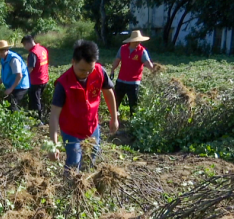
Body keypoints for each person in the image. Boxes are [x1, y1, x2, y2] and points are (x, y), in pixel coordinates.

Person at [48, 40, 119, 171]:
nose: (86, 74)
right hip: (71, 131)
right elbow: (54, 115)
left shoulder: (99, 72)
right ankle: (70, 188)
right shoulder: (63, 84)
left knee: (91, 159)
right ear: (73, 62)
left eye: (89, 70)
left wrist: (114, 117)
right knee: (74, 162)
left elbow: (108, 93)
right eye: (82, 70)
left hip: (92, 127)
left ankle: (86, 186)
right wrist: (53, 146)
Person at [110, 30, 155, 117]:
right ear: (132, 41)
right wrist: (112, 70)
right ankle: (114, 117)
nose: (138, 42)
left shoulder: (142, 51)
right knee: (116, 100)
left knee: (133, 103)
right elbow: (117, 61)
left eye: (139, 40)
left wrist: (153, 70)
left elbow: (148, 63)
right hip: (121, 80)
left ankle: (132, 120)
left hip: (133, 82)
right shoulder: (123, 49)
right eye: (137, 40)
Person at [0, 40, 30, 111]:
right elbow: (5, 75)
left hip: (20, 86)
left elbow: (19, 76)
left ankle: (21, 121)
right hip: (13, 86)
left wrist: (11, 89)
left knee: (13, 106)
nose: (0, 53)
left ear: (7, 50)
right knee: (10, 105)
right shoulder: (3, 59)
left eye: (2, 51)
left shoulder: (13, 60)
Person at [21, 35, 50, 122]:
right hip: (44, 79)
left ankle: (38, 120)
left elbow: (30, 68)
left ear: (28, 43)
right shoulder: (42, 49)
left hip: (36, 81)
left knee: (35, 101)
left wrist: (22, 78)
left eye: (24, 45)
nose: (25, 48)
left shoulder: (33, 53)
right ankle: (35, 117)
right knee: (37, 99)